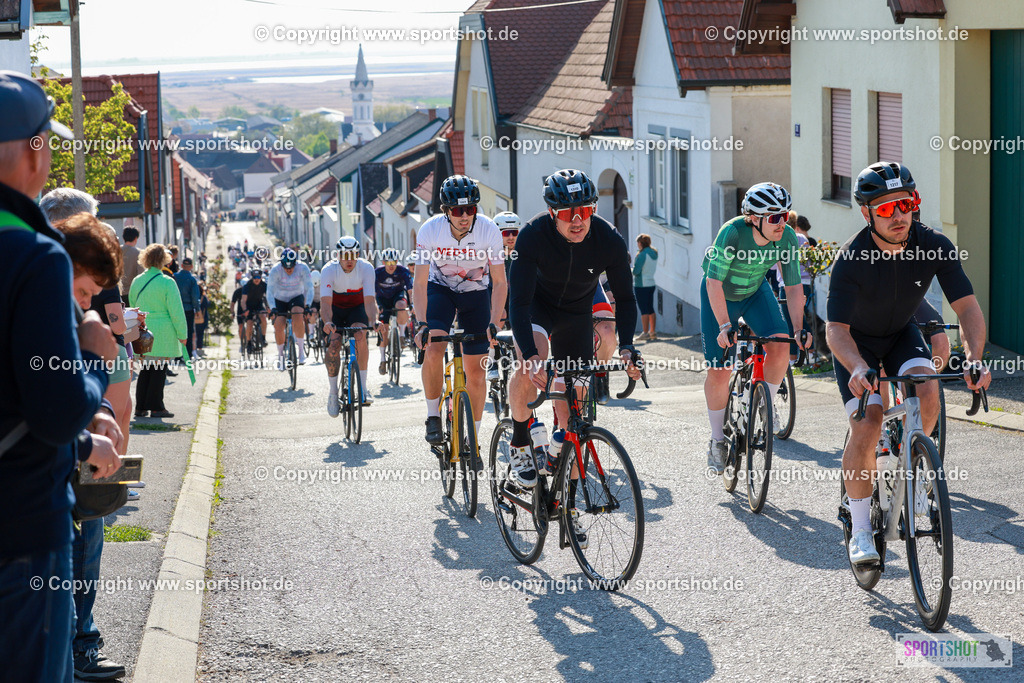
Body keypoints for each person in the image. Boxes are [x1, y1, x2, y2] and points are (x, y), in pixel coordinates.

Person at [0, 69, 121, 682]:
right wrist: (95, 364)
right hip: (19, 521)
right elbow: (52, 406)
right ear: (34, 152)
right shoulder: (34, 253)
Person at [826, 161, 991, 567]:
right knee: (868, 423)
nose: (899, 215)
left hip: (900, 333)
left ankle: (910, 463)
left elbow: (967, 307)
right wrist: (858, 367)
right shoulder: (851, 258)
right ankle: (862, 529)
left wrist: (974, 358)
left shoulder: (933, 243)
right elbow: (835, 331)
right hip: (857, 345)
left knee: (928, 389)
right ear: (867, 213)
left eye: (906, 204)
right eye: (885, 209)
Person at [507, 169, 641, 492]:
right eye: (568, 213)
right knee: (530, 368)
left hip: (576, 313)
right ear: (553, 213)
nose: (578, 220)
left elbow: (624, 297)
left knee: (575, 410)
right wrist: (530, 356)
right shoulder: (532, 236)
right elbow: (519, 306)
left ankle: (569, 503)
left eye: (585, 211)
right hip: (538, 307)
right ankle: (520, 442)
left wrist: (626, 346)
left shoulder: (608, 240)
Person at [50, 212, 131, 681]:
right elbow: (46, 408)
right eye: (83, 291)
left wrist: (98, 410)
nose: (86, 304)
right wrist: (98, 365)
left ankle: (78, 648)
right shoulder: (43, 304)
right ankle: (79, 649)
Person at [701, 182, 810, 475]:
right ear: (754, 217)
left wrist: (799, 329)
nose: (782, 223)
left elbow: (793, 284)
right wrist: (725, 325)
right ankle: (716, 438)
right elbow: (713, 282)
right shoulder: (733, 232)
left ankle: (763, 401)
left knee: (781, 343)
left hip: (754, 292)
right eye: (774, 217)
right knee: (720, 370)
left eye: (785, 215)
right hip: (720, 294)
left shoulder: (786, 237)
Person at [412, 175, 506, 445]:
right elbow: (419, 283)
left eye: (470, 209)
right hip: (439, 291)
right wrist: (421, 323)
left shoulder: (489, 230)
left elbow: (500, 283)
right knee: (433, 346)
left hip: (476, 293)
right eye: (457, 210)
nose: (464, 216)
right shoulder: (430, 230)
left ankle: (472, 436)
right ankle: (432, 415)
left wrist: (494, 322)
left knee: (476, 372)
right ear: (446, 211)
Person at [130, 244, 187, 419]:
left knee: (146, 369)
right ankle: (156, 407)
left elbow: (133, 304)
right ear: (164, 260)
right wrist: (182, 334)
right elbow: (176, 311)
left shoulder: (137, 280)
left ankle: (140, 407)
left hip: (142, 329)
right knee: (159, 371)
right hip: (162, 332)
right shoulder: (167, 282)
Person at [321, 236, 378, 414]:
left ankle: (363, 387)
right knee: (333, 346)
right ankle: (333, 393)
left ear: (358, 254)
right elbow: (325, 303)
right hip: (335, 310)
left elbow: (369, 301)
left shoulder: (366, 268)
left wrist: (374, 321)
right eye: (345, 255)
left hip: (356, 308)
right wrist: (328, 322)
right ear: (338, 255)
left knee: (361, 336)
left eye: (353, 255)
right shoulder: (328, 270)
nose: (349, 260)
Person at [267, 248, 314, 369]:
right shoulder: (275, 270)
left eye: (291, 267)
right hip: (280, 299)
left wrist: (308, 305)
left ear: (296, 263)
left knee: (298, 316)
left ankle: (301, 352)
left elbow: (309, 288)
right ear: (281, 264)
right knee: (279, 325)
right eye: (286, 267)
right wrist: (272, 308)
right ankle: (281, 356)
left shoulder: (303, 268)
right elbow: (270, 291)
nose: (289, 270)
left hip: (296, 296)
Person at [374, 247, 413, 374]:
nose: (391, 266)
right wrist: (376, 307)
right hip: (382, 299)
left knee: (402, 306)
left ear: (397, 261)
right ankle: (383, 360)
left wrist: (412, 304)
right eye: (388, 262)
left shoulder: (403, 271)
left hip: (397, 296)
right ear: (383, 262)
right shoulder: (377, 273)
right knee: (383, 330)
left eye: (394, 262)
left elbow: (410, 290)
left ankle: (401, 335)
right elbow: (372, 293)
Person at [173, 257, 202, 359]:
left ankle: (177, 355)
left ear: (181, 265)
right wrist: (197, 309)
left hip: (176, 309)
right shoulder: (192, 279)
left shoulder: (174, 276)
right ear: (191, 267)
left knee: (176, 331)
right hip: (188, 309)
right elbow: (195, 297)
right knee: (188, 332)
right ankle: (187, 356)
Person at [633, 234, 659, 340]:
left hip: (641, 285)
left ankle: (645, 333)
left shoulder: (642, 254)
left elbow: (636, 271)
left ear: (640, 243)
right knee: (650, 308)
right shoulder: (654, 253)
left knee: (644, 309)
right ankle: (652, 332)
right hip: (651, 283)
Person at [241, 269, 269, 352]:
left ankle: (263, 338)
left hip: (259, 304)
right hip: (249, 305)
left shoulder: (264, 285)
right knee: (249, 323)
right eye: (254, 277)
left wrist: (268, 308)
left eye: (258, 277)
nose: (256, 279)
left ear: (261, 278)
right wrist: (245, 310)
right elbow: (243, 301)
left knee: (263, 318)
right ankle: (249, 343)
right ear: (252, 278)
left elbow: (268, 297)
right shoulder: (247, 286)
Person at [120, 227, 142, 304]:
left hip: (116, 292)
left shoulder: (115, 251)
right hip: (132, 292)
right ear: (136, 238)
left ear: (123, 238)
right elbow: (141, 275)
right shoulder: (138, 253)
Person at [195, 283, 210, 353]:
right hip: (203, 318)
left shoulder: (194, 297)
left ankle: (193, 347)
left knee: (194, 333)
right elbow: (208, 305)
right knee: (200, 334)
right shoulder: (203, 298)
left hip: (194, 318)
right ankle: (200, 348)